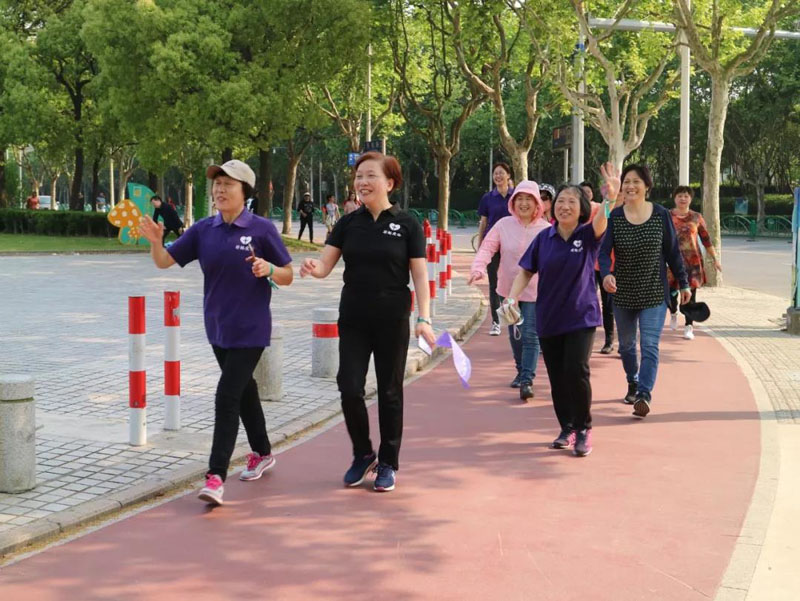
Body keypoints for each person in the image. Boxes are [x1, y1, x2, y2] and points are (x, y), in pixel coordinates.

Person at [138, 159, 294, 506]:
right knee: (244, 391)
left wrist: (268, 269)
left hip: (251, 328)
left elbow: (287, 274)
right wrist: (155, 242)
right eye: (217, 184)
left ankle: (215, 476)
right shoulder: (203, 230)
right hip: (218, 327)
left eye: (228, 184)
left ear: (245, 191)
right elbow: (164, 262)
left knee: (226, 397)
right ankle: (263, 452)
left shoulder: (261, 230)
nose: (220, 190)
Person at [300, 152, 435, 493]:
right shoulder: (348, 223)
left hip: (392, 318)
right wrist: (312, 267)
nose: (362, 182)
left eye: (370, 175)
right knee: (349, 386)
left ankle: (388, 462)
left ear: (389, 182)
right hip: (354, 319)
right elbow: (325, 266)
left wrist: (424, 318)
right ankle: (363, 453)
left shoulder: (407, 224)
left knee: (390, 391)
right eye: (359, 176)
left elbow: (420, 275)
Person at [505, 164, 621, 457]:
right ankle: (566, 427)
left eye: (571, 201)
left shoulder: (587, 235)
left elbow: (601, 224)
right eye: (560, 201)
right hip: (549, 317)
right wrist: (512, 298)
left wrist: (610, 199)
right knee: (557, 376)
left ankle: (583, 428)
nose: (564, 206)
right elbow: (526, 271)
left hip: (581, 316)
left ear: (582, 209)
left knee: (576, 371)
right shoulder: (544, 239)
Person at [599, 164, 690, 419]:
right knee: (627, 346)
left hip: (654, 292)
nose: (630, 186)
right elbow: (603, 253)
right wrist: (606, 274)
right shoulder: (616, 216)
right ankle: (633, 380)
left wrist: (683, 283)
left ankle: (644, 394)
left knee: (649, 345)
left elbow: (673, 252)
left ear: (646, 186)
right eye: (627, 181)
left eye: (636, 181)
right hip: (623, 292)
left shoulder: (660, 215)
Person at [469, 180, 550, 400]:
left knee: (531, 334)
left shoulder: (546, 230)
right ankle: (520, 369)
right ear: (513, 202)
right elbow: (487, 247)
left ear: (537, 204)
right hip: (508, 291)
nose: (523, 203)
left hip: (535, 291)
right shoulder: (503, 225)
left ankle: (527, 379)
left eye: (529, 199)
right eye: (519, 199)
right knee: (516, 334)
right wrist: (478, 268)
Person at [668, 186, 722, 340]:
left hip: (692, 263)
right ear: (674, 198)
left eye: (686, 196)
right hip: (671, 263)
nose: (683, 199)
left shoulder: (696, 217)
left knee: (690, 297)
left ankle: (688, 327)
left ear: (690, 199)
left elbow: (706, 240)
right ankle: (673, 312)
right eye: (680, 196)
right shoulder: (667, 216)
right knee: (671, 295)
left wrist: (715, 259)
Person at [477, 162, 514, 336]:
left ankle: (513, 318)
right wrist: (481, 245)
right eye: (495, 173)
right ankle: (496, 322)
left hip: (512, 244)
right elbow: (483, 222)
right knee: (494, 284)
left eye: (501, 173)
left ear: (508, 175)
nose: (498, 176)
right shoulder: (488, 198)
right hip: (493, 244)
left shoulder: (516, 196)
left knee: (513, 282)